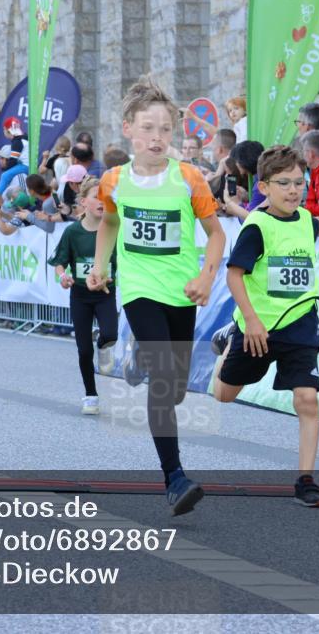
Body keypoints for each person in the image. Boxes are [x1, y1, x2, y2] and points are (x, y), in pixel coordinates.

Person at [87, 75, 226, 517]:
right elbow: (110, 222)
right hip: (140, 289)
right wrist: (100, 265)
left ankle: (143, 358)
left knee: (177, 388)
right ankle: (175, 478)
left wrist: (206, 278)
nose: (157, 137)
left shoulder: (189, 178)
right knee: (164, 380)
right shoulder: (114, 180)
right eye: (148, 128)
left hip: (182, 291)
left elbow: (216, 235)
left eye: (165, 129)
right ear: (128, 128)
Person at [211, 146, 319, 507]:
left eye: (299, 183)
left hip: (300, 322)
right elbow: (234, 276)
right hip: (258, 327)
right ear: (264, 187)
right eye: (284, 183)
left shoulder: (305, 220)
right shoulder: (257, 227)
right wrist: (251, 321)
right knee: (224, 395)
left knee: (307, 399)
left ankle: (306, 481)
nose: (293, 191)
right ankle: (228, 341)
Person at [48, 178, 118, 415]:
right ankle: (91, 395)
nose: (102, 202)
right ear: (83, 201)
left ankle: (103, 347)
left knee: (110, 335)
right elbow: (59, 262)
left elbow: (123, 261)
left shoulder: (114, 229)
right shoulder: (73, 232)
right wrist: (63, 277)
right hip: (80, 295)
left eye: (106, 197)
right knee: (84, 350)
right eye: (97, 197)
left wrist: (109, 275)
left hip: (106, 293)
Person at [0, 117, 30, 196]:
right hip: (26, 165)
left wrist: (6, 169)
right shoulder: (22, 138)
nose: (3, 132)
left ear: (8, 130)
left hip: (25, 166)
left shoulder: (17, 142)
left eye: (4, 129)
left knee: (4, 176)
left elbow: (13, 160)